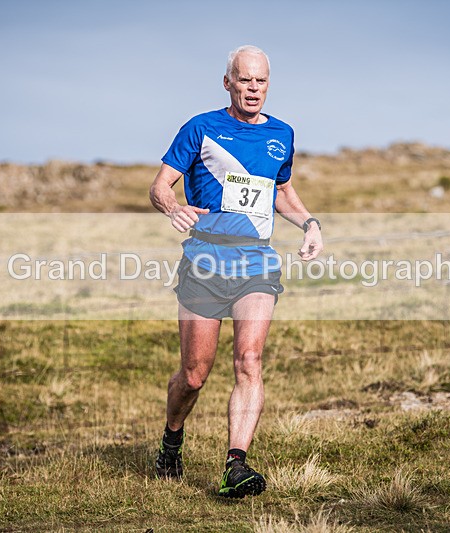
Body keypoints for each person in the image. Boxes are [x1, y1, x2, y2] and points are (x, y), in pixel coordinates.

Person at [149, 45, 323, 498]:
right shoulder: (201, 128)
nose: (253, 88)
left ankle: (235, 466)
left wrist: (309, 223)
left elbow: (279, 190)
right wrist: (173, 207)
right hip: (205, 262)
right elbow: (160, 185)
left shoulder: (282, 134)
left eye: (260, 80)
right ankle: (171, 440)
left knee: (249, 361)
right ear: (227, 82)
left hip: (256, 261)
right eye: (244, 79)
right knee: (193, 375)